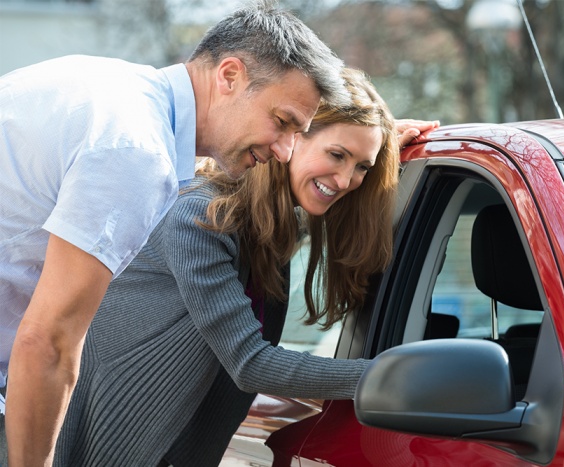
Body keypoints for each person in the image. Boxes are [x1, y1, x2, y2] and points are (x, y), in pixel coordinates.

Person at [0, 4, 351, 465]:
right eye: (282, 122)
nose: (286, 151)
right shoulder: (136, 152)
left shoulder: (106, 86)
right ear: (230, 76)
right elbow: (49, 341)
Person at [53, 68, 439, 466]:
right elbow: (249, 363)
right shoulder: (198, 218)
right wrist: (402, 377)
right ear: (289, 140)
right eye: (337, 155)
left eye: (362, 167)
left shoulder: (268, 226)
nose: (345, 180)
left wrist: (380, 144)